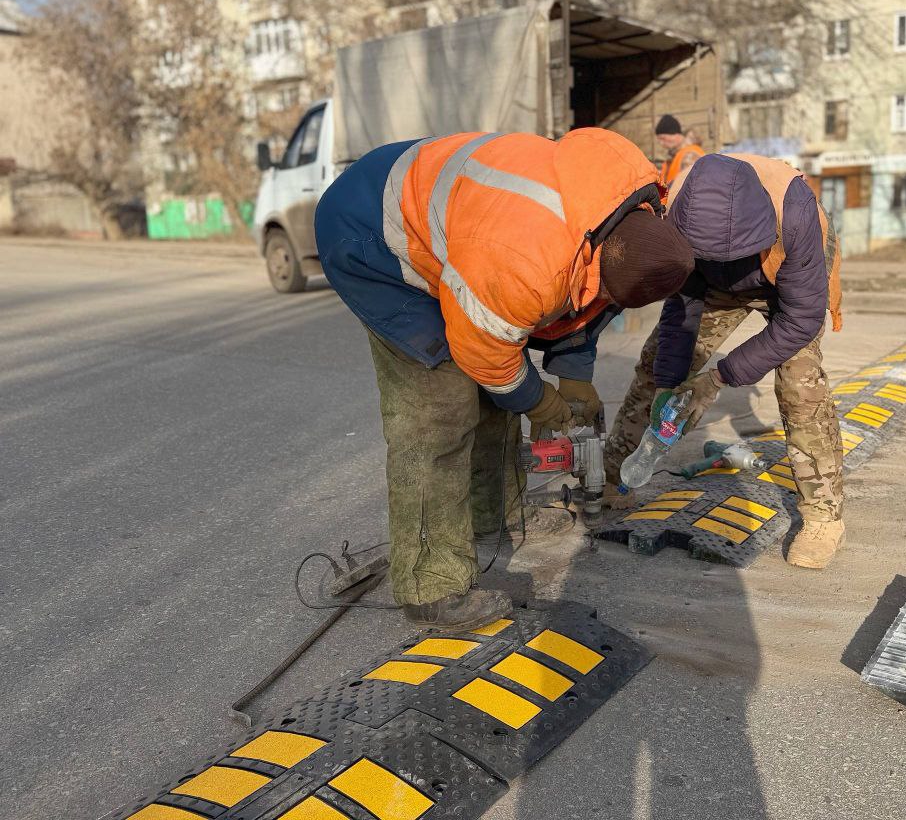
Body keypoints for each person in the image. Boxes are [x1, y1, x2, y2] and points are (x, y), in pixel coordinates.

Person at [316, 129, 695, 629]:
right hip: (373, 237)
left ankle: (494, 517)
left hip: (465, 231)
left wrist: (574, 373)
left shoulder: (629, 209)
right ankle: (431, 585)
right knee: (441, 415)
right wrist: (540, 402)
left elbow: (588, 301)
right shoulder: (527, 262)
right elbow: (487, 354)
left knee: (495, 402)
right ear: (596, 258)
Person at [604, 153, 847, 569]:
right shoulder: (679, 208)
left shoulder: (798, 217)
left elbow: (800, 322)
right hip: (711, 286)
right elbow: (684, 302)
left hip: (782, 279)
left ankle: (824, 516)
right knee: (655, 365)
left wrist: (717, 377)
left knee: (800, 387)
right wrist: (669, 382)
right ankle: (615, 478)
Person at [654, 113, 705, 196]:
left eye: (663, 138)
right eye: (659, 140)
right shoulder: (674, 156)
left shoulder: (690, 155)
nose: (661, 143)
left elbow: (693, 190)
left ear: (675, 134)